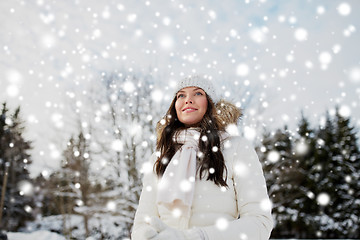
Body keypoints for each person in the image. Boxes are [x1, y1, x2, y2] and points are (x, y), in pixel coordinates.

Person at [131, 75, 273, 240]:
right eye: (181, 95)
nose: (188, 100)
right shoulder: (160, 156)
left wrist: (197, 237)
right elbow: (142, 223)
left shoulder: (237, 148)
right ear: (174, 106)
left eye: (198, 93)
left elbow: (259, 222)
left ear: (211, 104)